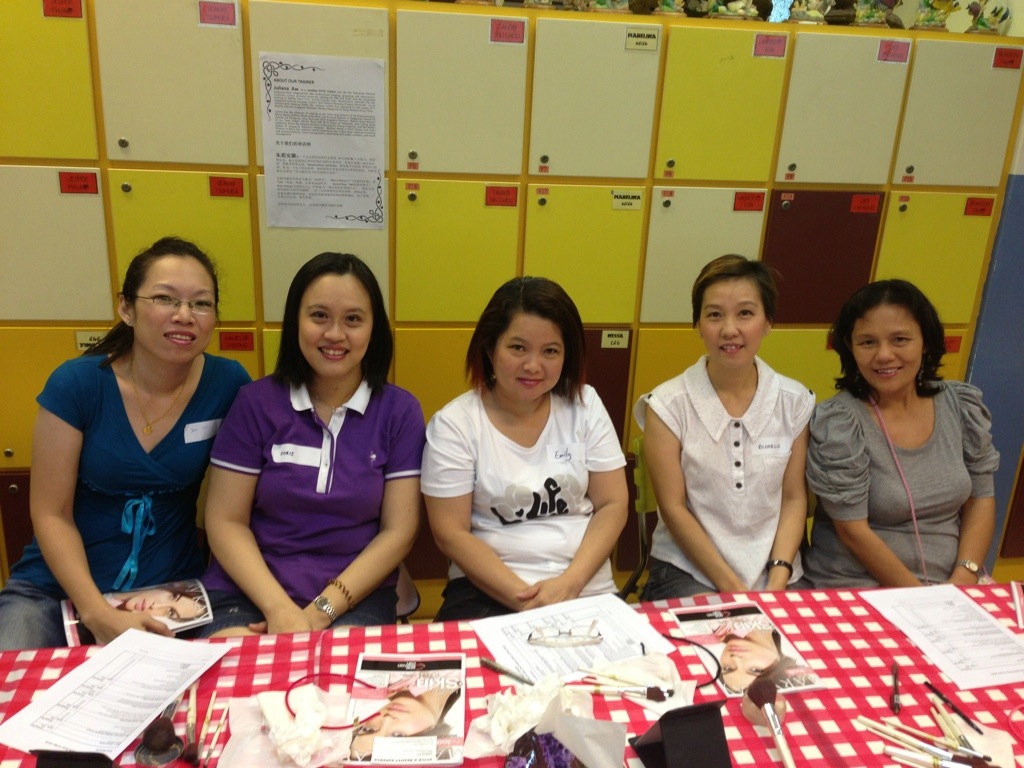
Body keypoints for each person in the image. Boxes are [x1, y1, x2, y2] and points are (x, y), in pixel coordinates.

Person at [0, 237, 251, 650]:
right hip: (55, 589)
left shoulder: (228, 383)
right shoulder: (77, 384)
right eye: (165, 298)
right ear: (126, 308)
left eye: (201, 303)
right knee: (15, 683)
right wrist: (96, 612)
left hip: (173, 592)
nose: (184, 315)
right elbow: (50, 513)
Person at [199, 253, 425, 635]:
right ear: (295, 322)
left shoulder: (399, 412)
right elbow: (225, 520)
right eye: (319, 316)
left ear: (374, 329)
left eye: (353, 319)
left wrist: (319, 613)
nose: (334, 334)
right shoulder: (255, 403)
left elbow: (398, 532)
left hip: (354, 595)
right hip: (249, 591)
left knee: (341, 670)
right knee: (236, 664)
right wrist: (279, 610)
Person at [422, 276, 628, 621]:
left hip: (584, 586)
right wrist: (528, 601)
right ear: (490, 349)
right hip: (487, 592)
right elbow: (450, 534)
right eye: (518, 348)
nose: (533, 365)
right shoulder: (455, 424)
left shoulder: (584, 404)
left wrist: (569, 585)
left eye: (550, 351)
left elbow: (613, 504)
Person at [633, 255, 814, 599]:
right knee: (721, 632)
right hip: (690, 569)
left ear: (767, 322)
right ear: (698, 325)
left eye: (745, 313)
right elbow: (673, 507)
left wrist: (778, 579)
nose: (730, 329)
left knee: (797, 634)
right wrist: (734, 590)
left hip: (777, 571)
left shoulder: (794, 402)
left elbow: (793, 498)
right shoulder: (667, 405)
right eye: (715, 315)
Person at [801, 279, 999, 588]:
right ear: (850, 347)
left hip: (953, 583)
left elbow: (981, 499)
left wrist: (965, 574)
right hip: (859, 586)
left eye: (900, 340)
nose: (884, 355)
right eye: (868, 342)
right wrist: (924, 598)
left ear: (926, 341)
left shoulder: (960, 405)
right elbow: (852, 532)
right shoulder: (840, 422)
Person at [348, 674, 463, 761]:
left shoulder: (374, 679)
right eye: (398, 735)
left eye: (368, 729)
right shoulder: (465, 679)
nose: (387, 719)